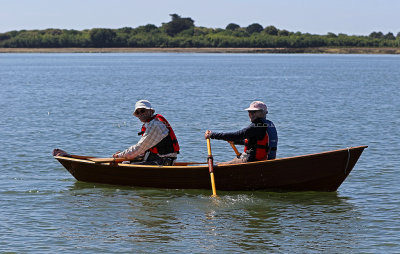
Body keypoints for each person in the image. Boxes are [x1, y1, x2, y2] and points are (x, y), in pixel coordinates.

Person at [204, 101, 277, 164]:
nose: (250, 114)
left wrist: (212, 135)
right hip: (263, 159)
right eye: (249, 112)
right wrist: (235, 141)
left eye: (253, 112)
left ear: (262, 113)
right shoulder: (268, 124)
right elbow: (255, 143)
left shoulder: (256, 126)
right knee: (236, 158)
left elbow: (238, 135)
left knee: (220, 164)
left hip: (252, 160)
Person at [113, 100, 179, 165]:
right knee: (125, 162)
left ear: (150, 111)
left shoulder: (155, 125)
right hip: (154, 158)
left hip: (163, 161)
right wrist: (123, 156)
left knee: (126, 166)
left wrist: (119, 156)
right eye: (137, 112)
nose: (140, 114)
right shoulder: (149, 124)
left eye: (142, 111)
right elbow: (142, 151)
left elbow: (139, 148)